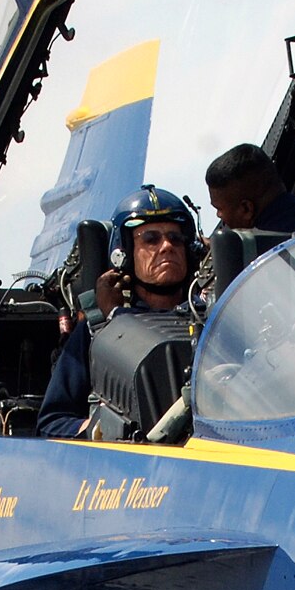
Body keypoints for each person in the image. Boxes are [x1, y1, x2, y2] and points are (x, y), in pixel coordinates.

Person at [39, 185, 199, 439]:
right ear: (123, 253)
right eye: (151, 239)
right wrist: (97, 429)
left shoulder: (209, 320)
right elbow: (52, 422)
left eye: (175, 238)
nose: (167, 246)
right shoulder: (96, 330)